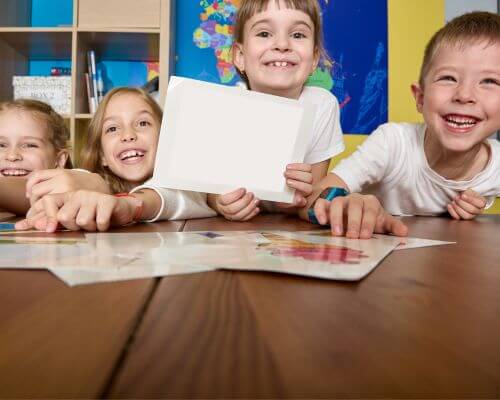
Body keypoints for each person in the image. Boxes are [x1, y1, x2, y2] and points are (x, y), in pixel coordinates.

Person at [303, 11, 500, 237]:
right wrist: (345, 203)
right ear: (420, 98)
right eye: (448, 78)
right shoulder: (392, 143)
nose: (464, 95)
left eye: (489, 81)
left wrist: (480, 204)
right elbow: (315, 197)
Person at [207, 0, 345, 221]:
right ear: (240, 56)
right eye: (264, 33)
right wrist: (219, 202)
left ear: (314, 59)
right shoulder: (223, 108)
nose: (282, 44)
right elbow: (205, 187)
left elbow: (313, 196)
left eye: (298, 35)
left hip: (290, 231)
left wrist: (298, 198)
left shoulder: (322, 106)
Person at [16, 87, 216, 232]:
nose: (128, 135)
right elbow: (81, 180)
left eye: (143, 123)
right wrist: (85, 181)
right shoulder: (92, 186)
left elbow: (175, 196)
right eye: (112, 128)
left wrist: (130, 205)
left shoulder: (188, 185)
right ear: (102, 155)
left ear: (165, 140)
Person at [0, 99, 70, 214]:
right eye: (1, 145)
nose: (12, 156)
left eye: (29, 145)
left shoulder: (68, 186)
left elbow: (33, 195)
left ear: (59, 159)